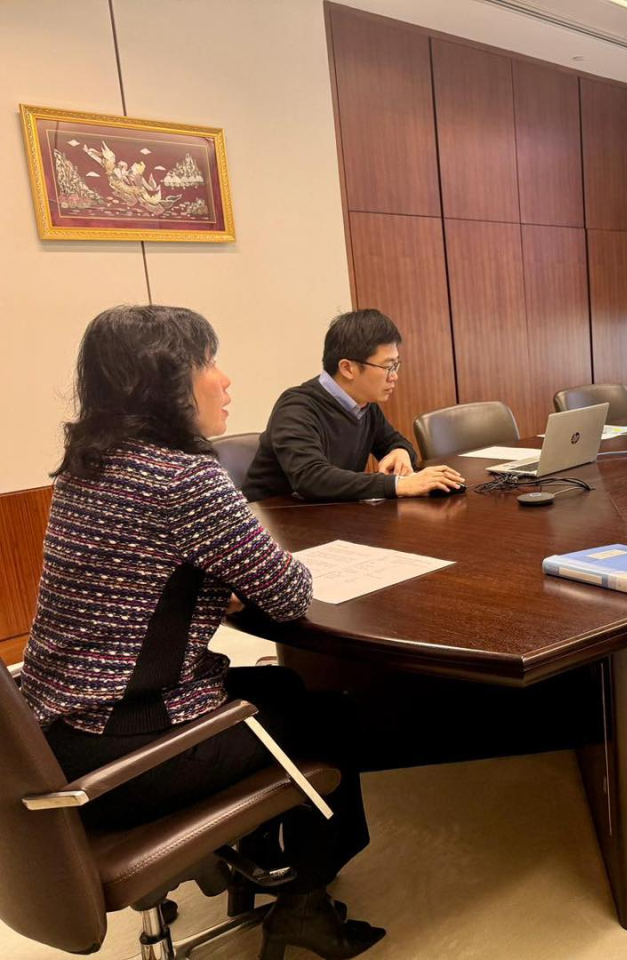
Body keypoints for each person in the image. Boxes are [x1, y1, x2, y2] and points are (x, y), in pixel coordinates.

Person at [19, 306, 384, 958]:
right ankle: (304, 900)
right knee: (330, 717)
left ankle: (259, 857)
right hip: (123, 750)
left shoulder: (90, 463)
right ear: (164, 384)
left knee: (284, 688)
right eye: (207, 363)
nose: (225, 379)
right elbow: (290, 591)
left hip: (55, 735)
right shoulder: (182, 478)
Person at [241, 309, 463, 502]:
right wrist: (399, 485)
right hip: (271, 525)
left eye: (396, 365)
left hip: (327, 518)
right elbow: (311, 478)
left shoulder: (364, 404)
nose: (394, 376)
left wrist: (401, 452)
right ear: (347, 368)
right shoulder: (296, 408)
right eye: (387, 367)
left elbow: (393, 441)